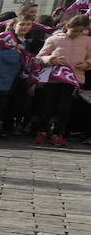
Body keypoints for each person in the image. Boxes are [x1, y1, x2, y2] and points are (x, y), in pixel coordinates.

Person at [34, 14, 90, 147]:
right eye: (75, 30)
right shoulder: (54, 39)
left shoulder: (87, 41)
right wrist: (51, 60)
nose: (77, 34)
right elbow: (40, 57)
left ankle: (58, 134)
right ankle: (42, 131)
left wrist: (87, 64)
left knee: (64, 108)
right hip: (54, 78)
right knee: (47, 106)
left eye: (80, 31)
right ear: (67, 26)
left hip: (72, 79)